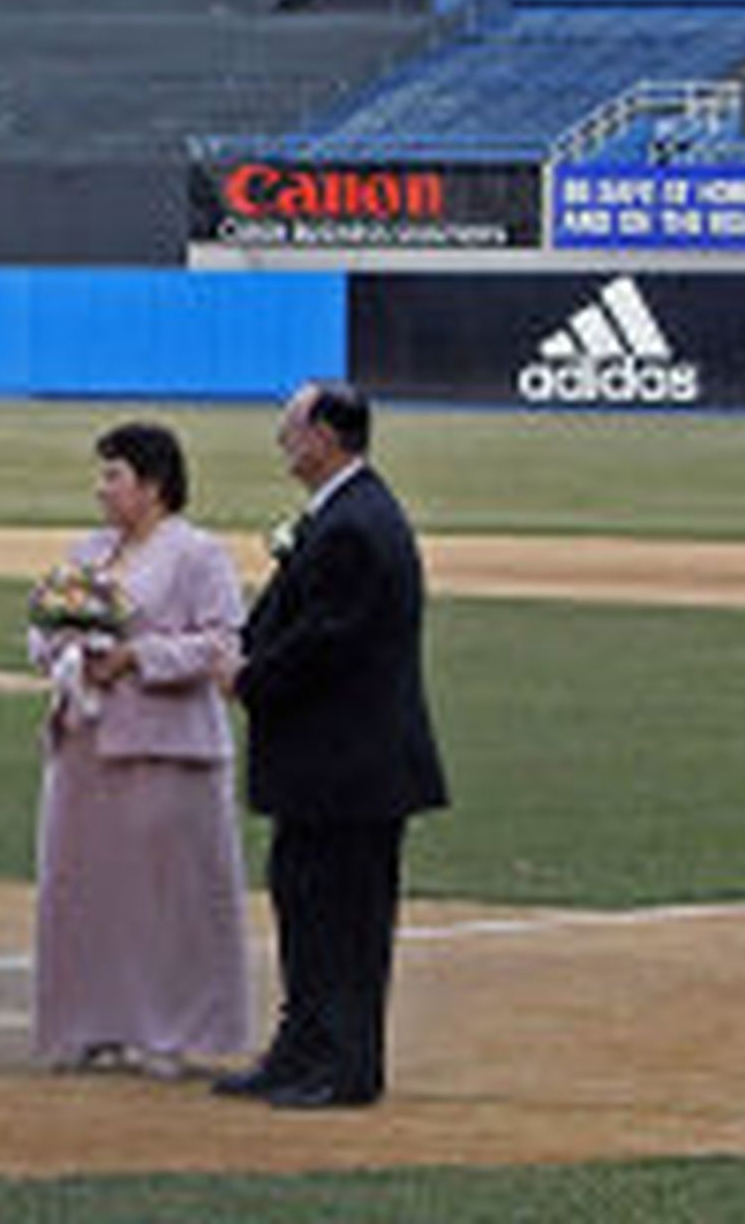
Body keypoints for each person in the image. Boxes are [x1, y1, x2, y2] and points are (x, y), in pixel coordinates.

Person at [218, 381, 449, 1110]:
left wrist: (250, 675)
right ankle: (302, 1048)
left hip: (350, 768)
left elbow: (329, 641)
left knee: (343, 921)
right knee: (307, 907)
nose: (282, 440)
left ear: (324, 435)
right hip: (331, 767)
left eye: (291, 426)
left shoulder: (355, 522)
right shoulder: (345, 513)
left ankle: (344, 1066)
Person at [27, 421, 250, 1080]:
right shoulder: (90, 550)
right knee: (88, 890)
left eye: (113, 475)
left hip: (166, 748)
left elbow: (220, 643)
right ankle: (93, 1022)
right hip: (86, 745)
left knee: (167, 896)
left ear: (152, 484)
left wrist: (135, 657)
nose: (102, 490)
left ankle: (168, 1028)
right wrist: (65, 651)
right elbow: (43, 628)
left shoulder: (196, 553)